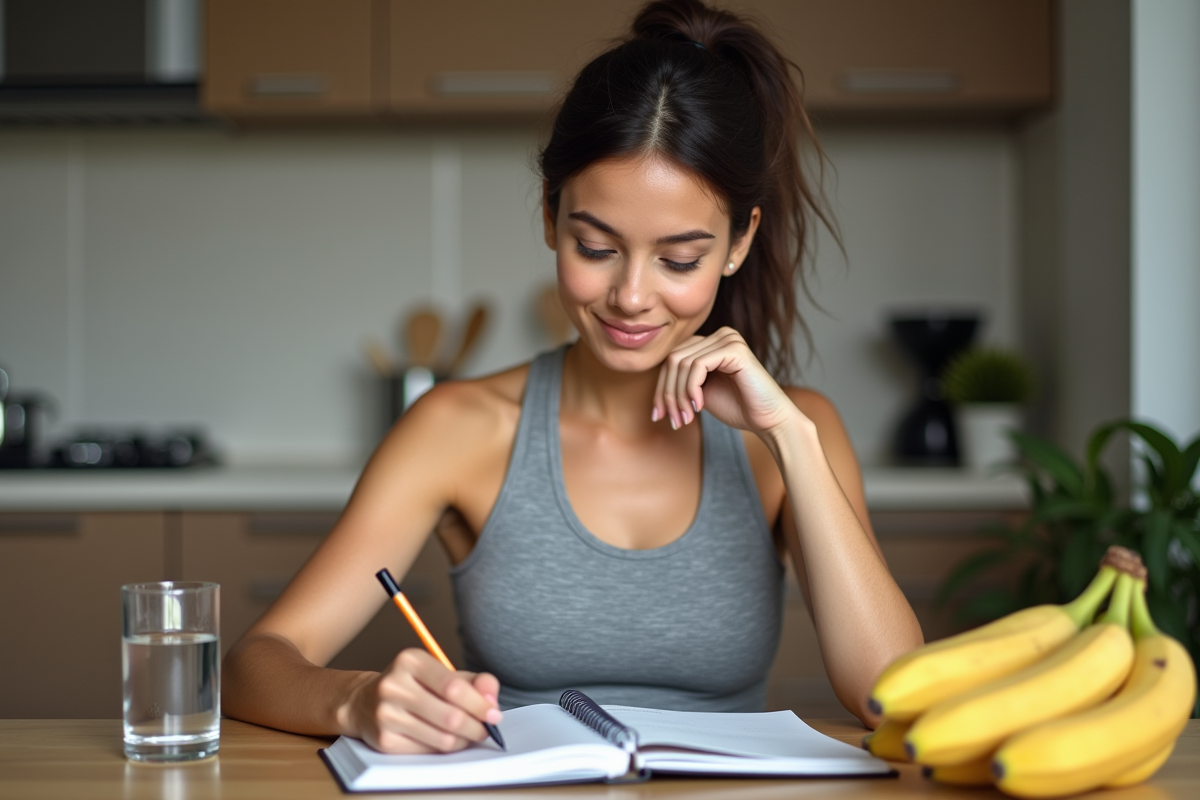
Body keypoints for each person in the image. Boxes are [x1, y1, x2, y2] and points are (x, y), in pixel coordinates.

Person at [222, 0, 923, 755]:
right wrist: (358, 699)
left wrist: (789, 435)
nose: (630, 295)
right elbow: (255, 665)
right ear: (551, 218)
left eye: (679, 260)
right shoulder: (459, 428)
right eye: (596, 247)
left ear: (738, 242)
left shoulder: (791, 434)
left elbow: (891, 698)